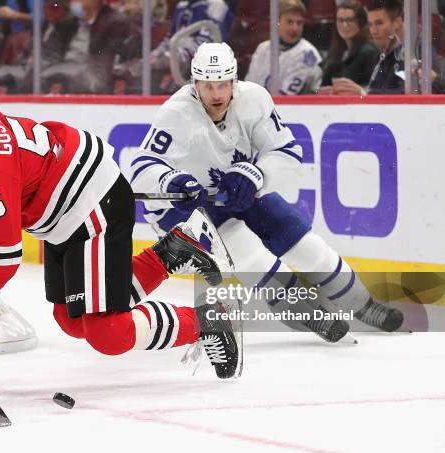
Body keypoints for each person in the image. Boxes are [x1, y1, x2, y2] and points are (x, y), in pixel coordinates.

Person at [0, 81, 241, 379]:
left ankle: (207, 321)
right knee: (71, 319)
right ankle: (173, 251)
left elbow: (2, 256)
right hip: (61, 211)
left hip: (89, 204)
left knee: (108, 332)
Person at [126, 42, 405, 342]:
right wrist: (171, 181)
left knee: (304, 243)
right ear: (194, 84)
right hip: (186, 207)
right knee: (249, 253)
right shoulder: (177, 113)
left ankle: (361, 303)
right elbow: (142, 165)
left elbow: (287, 150)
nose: (217, 94)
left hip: (236, 189)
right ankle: (307, 314)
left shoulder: (254, 99)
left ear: (234, 80)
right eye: (208, 86)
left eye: (223, 84)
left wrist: (254, 174)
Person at [245, 0, 322, 95]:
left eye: (299, 23)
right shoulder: (263, 48)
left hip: (294, 108)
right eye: (290, 22)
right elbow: (249, 88)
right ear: (276, 22)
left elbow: (286, 97)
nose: (295, 28)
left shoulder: (307, 53)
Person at [331, 0, 404, 95]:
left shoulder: (414, 51)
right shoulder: (382, 55)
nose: (373, 31)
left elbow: (407, 94)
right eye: (370, 24)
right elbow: (375, 88)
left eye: (379, 23)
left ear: (397, 23)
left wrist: (363, 92)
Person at [319, 0, 380, 94]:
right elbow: (317, 89)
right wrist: (320, 92)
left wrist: (360, 90)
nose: (344, 25)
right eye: (340, 20)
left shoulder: (369, 51)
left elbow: (375, 88)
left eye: (349, 20)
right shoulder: (335, 52)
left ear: (360, 22)